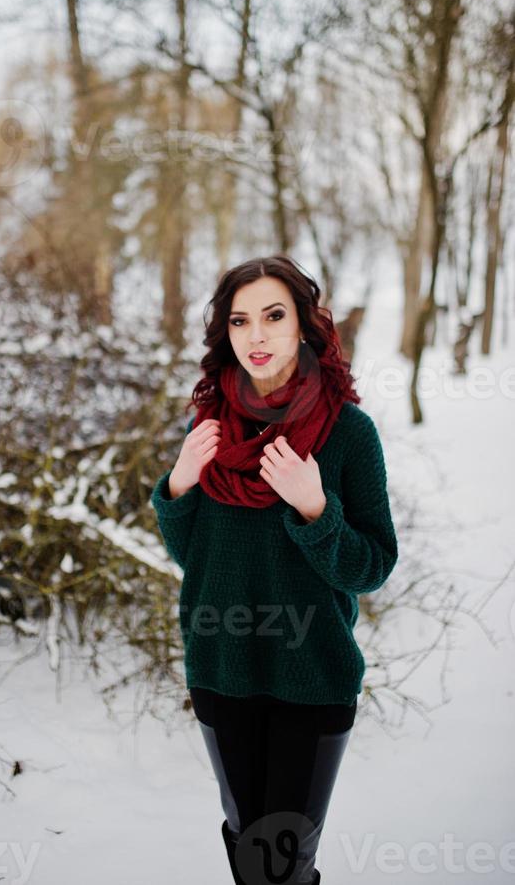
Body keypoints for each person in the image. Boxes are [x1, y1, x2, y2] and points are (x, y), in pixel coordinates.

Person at [150, 254, 399, 884]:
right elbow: (195, 560)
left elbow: (372, 566)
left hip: (312, 676)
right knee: (245, 846)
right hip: (221, 668)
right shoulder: (207, 429)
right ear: (224, 334)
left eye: (273, 316)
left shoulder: (349, 433)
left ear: (305, 326)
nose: (255, 335)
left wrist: (316, 509)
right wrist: (177, 486)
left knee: (281, 863)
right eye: (239, 321)